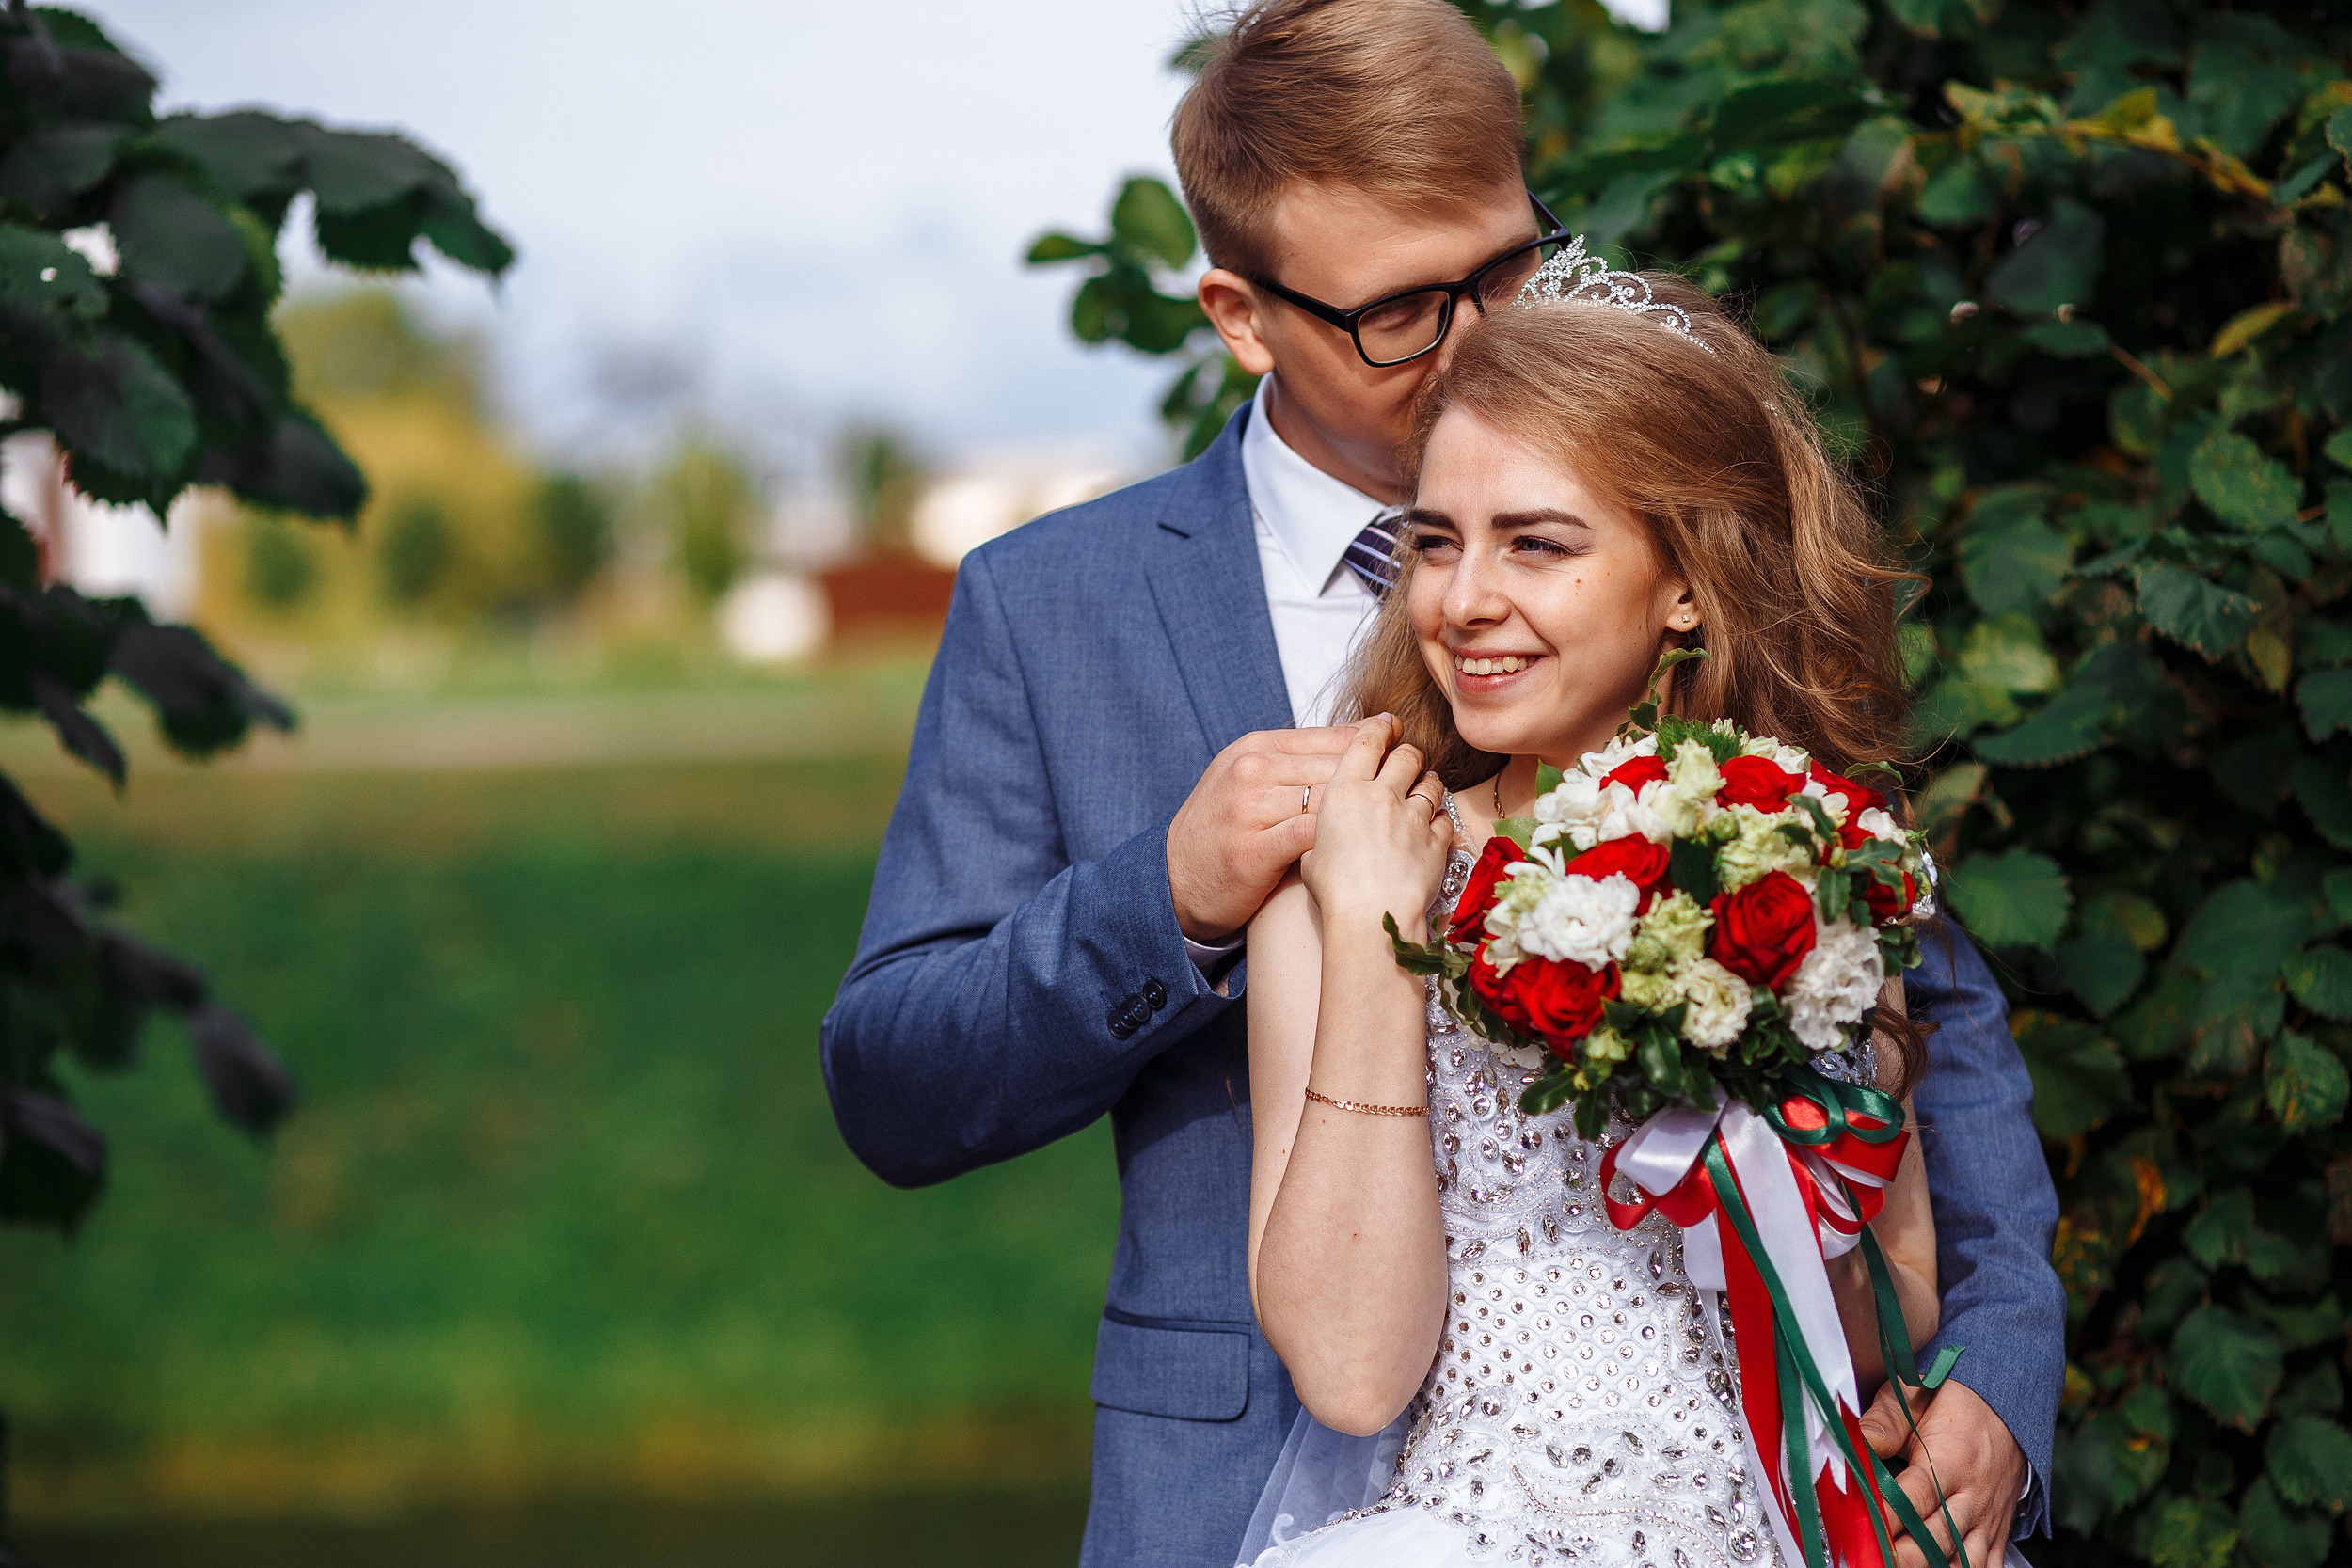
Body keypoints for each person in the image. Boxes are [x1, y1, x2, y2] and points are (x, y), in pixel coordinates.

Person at [819, 4, 2060, 1564]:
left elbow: (1925, 1024)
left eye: (1509, 266)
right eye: (1405, 312)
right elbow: (893, 1081)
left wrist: (2000, 1372)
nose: (1483, 343)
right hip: (1257, 1486)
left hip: (1752, 1459)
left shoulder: (1684, 568)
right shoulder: (1051, 608)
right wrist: (1171, 900)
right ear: (1242, 312)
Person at [1237, 270, 1977, 1568]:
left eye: (1536, 542)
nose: (1462, 599)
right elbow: (1352, 1375)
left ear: (1687, 581)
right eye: (1434, 540)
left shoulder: (1801, 869)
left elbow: (1896, 1306)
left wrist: (1764, 1152)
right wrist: (1375, 936)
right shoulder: (1342, 882)